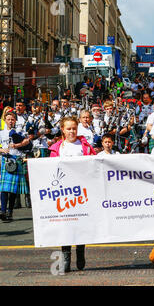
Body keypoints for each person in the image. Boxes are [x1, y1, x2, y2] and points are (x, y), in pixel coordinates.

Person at [49, 116, 96, 272]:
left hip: (82, 192)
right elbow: (50, 169)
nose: (71, 131)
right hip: (64, 192)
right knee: (65, 225)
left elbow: (93, 164)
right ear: (63, 129)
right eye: (68, 128)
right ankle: (66, 256)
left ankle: (80, 252)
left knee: (80, 223)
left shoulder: (84, 146)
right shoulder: (57, 148)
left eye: (74, 128)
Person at [0, 112, 31, 221]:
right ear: (5, 120)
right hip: (6, 160)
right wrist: (2, 150)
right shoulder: (1, 133)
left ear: (15, 120)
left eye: (12, 119)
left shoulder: (20, 131)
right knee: (4, 188)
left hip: (17, 160)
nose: (10, 121)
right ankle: (3, 211)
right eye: (8, 119)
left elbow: (27, 142)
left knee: (13, 189)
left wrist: (16, 145)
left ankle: (10, 212)